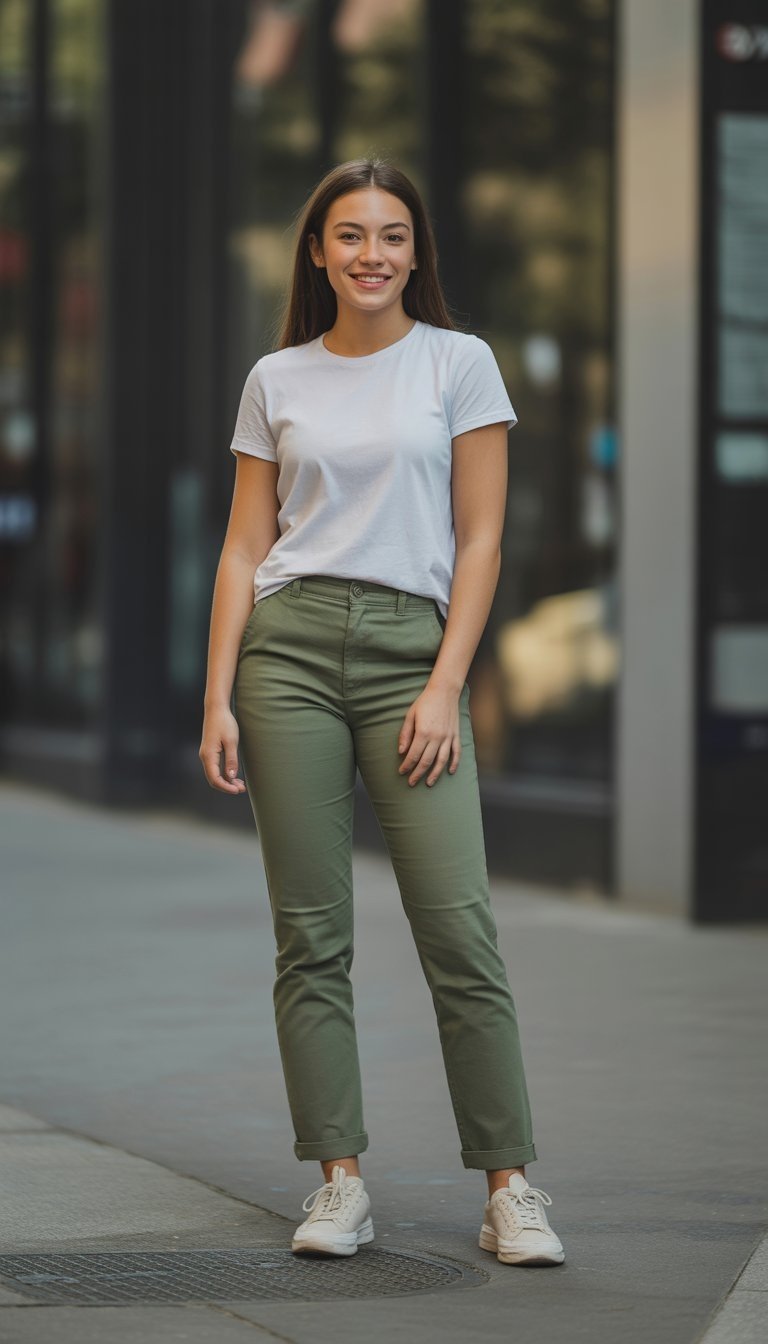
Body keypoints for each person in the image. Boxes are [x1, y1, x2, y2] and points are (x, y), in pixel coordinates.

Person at [199, 156, 564, 1268]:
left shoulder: (460, 363)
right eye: (350, 235)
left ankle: (510, 1189)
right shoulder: (278, 377)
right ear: (318, 251)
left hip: (415, 654)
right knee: (310, 936)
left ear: (417, 253)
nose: (372, 254)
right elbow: (245, 546)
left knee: (458, 927)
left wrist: (449, 682)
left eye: (392, 236)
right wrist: (216, 693)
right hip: (289, 655)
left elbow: (483, 538)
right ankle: (338, 1182)